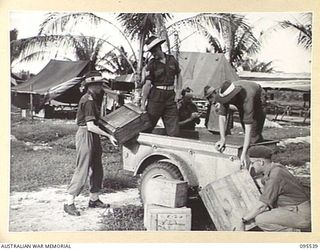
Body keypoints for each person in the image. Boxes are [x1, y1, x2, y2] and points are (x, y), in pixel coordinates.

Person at [64, 71, 118, 216]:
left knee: (97, 168)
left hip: (93, 135)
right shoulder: (88, 100)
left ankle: (94, 199)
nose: (101, 87)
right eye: (99, 84)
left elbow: (95, 122)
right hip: (86, 134)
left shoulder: (94, 97)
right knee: (83, 168)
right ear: (91, 85)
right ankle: (69, 202)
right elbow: (90, 126)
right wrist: (108, 135)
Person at [234, 146, 311, 232]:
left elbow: (262, 206)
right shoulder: (275, 167)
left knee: (261, 219)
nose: (251, 166)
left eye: (252, 163)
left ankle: (296, 235)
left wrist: (243, 220)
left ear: (261, 162)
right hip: (294, 209)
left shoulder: (275, 176)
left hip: (300, 214)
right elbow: (265, 181)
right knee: (256, 211)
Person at [215, 80, 266, 168]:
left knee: (254, 132)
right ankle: (250, 147)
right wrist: (222, 138)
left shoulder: (248, 97)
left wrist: (244, 153)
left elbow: (248, 127)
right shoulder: (224, 94)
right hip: (241, 98)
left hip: (258, 96)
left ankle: (258, 159)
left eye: (228, 100)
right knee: (245, 123)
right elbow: (222, 117)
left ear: (233, 96)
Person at [140, 35, 182, 136]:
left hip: (171, 96)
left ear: (159, 48)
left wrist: (179, 92)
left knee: (174, 129)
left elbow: (179, 75)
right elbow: (147, 84)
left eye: (154, 51)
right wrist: (143, 102)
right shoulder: (152, 64)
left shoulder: (172, 60)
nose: (153, 54)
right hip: (156, 96)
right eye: (151, 52)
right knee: (148, 125)